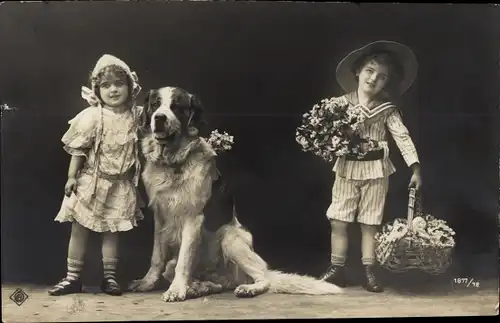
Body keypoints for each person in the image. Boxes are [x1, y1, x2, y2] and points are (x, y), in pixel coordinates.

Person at [319, 41, 423, 293]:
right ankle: (336, 269)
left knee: (370, 222)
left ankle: (370, 271)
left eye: (382, 76)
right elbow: (323, 133)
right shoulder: (339, 105)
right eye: (369, 70)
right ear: (357, 71)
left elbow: (402, 136)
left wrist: (415, 168)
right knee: (339, 220)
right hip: (346, 169)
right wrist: (326, 142)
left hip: (376, 171)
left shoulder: (387, 110)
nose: (374, 79)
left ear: (388, 82)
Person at [48, 54, 144, 296]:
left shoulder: (136, 116)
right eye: (106, 85)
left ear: (130, 87)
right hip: (91, 182)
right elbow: (79, 150)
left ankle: (110, 278)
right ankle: (72, 278)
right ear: (97, 89)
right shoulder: (93, 116)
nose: (113, 90)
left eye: (119, 84)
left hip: (120, 185)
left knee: (111, 231)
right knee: (79, 228)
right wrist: (72, 177)